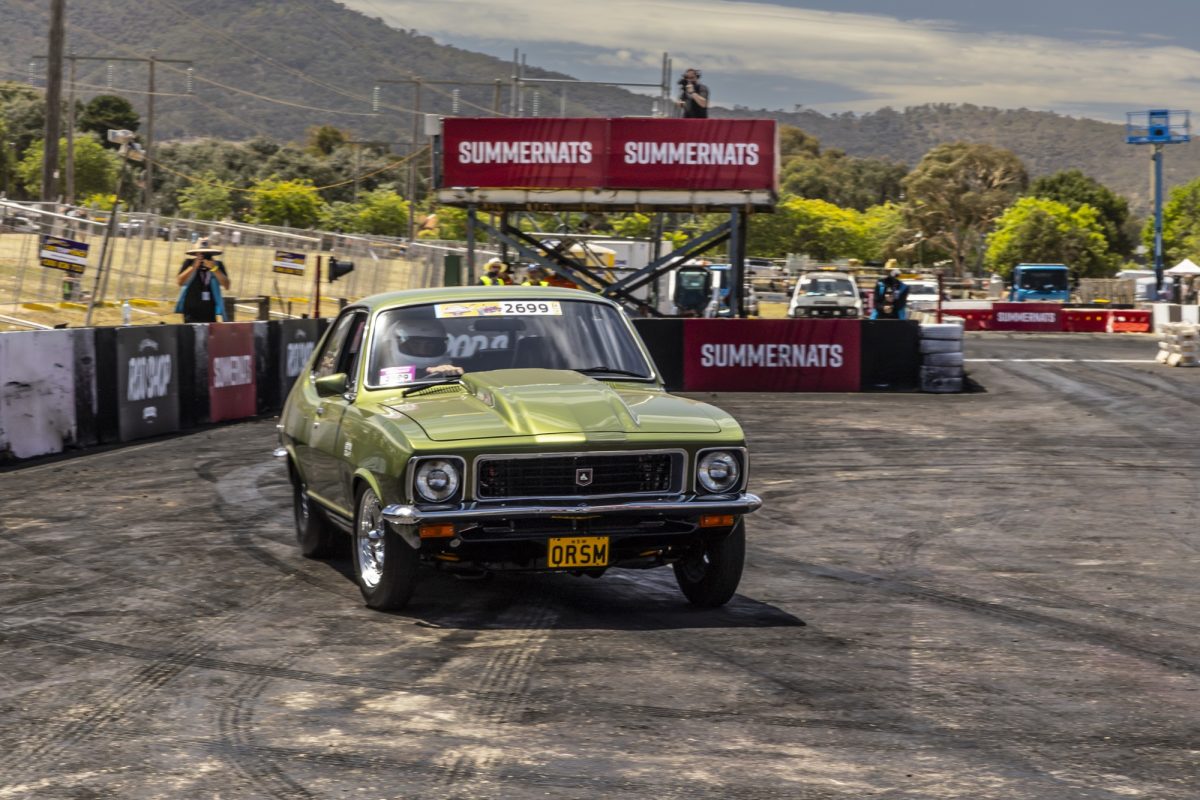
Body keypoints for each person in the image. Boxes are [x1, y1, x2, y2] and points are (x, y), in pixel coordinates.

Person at [175, 239, 230, 323]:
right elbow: (179, 282)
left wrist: (214, 269)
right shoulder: (189, 263)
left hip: (209, 311)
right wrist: (193, 267)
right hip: (190, 311)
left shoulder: (217, 265)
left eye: (206, 253)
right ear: (196, 253)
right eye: (201, 253)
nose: (204, 256)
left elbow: (227, 285)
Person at [387, 318, 462, 379]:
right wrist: (427, 371)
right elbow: (387, 378)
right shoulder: (383, 369)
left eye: (430, 344)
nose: (422, 350)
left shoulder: (449, 369)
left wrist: (455, 373)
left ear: (439, 346)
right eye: (415, 344)